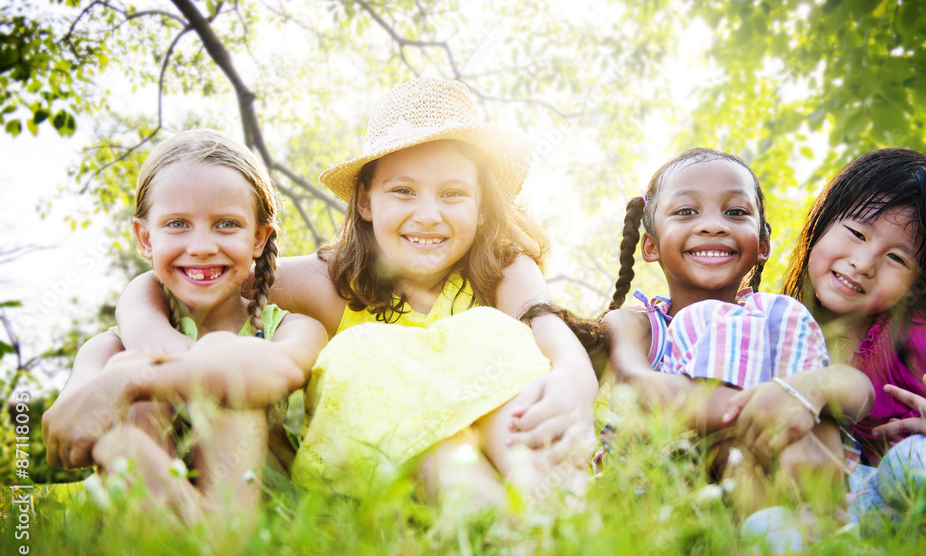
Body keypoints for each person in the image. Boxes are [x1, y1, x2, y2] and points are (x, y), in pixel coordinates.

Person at [110, 78, 599, 511]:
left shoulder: (500, 269)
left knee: (495, 335)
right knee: (364, 354)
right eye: (403, 191)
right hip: (405, 464)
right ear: (365, 201)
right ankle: (495, 524)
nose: (428, 214)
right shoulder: (331, 281)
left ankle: (555, 513)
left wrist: (577, 375)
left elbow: (542, 319)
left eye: (452, 194)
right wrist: (149, 334)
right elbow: (189, 273)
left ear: (481, 206)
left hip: (509, 443)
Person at [42, 129, 328, 523]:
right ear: (145, 238)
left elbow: (277, 369)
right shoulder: (110, 347)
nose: (201, 246)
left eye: (226, 224)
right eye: (177, 224)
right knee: (124, 432)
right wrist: (110, 399)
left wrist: (129, 380)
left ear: (259, 238)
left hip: (258, 513)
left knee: (228, 373)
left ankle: (219, 541)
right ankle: (182, 545)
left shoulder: (291, 328)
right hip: (149, 509)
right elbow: (64, 441)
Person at [601, 148, 874, 541]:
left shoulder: (777, 318)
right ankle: (789, 537)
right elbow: (637, 383)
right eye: (685, 212)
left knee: (813, 399)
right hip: (671, 482)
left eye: (735, 212)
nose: (713, 226)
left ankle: (816, 529)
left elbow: (857, 391)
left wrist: (800, 395)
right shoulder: (637, 323)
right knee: (746, 435)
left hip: (778, 470)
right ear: (650, 245)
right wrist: (767, 413)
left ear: (763, 245)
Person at [783, 148, 926, 514]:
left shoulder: (920, 331)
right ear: (820, 222)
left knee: (912, 457)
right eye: (856, 232)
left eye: (897, 258)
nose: (864, 264)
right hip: (886, 504)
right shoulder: (784, 328)